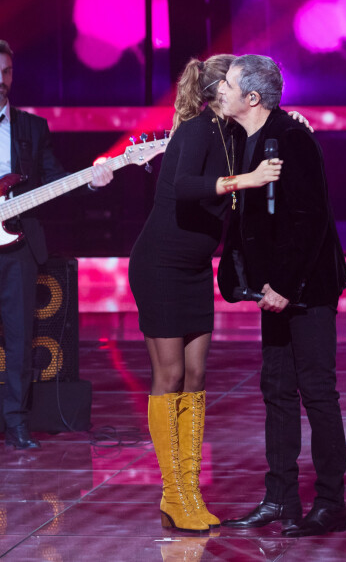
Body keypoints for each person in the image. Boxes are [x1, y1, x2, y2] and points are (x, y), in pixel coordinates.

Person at [128, 54, 286, 534]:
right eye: (236, 80)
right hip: (160, 265)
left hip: (195, 268)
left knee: (196, 377)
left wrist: (290, 119)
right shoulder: (197, 130)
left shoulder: (233, 135)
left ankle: (190, 490)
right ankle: (173, 494)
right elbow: (182, 187)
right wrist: (246, 180)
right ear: (221, 90)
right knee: (170, 375)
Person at [217, 54, 346, 537]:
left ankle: (331, 503)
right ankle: (279, 498)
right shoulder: (238, 137)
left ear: (252, 97)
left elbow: (310, 220)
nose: (221, 90)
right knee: (275, 390)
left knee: (317, 392)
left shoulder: (293, 138)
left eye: (229, 84)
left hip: (306, 288)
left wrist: (285, 286)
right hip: (269, 290)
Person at [0, 40, 113, 450]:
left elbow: (53, 181)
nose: (1, 80)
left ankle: (15, 422)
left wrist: (92, 181)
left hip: (18, 246)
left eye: (7, 71)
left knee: (20, 339)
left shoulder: (31, 127)